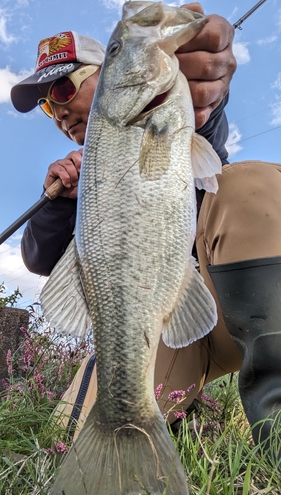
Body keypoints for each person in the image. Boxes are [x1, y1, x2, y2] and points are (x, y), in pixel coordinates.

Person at [11, 3, 281, 467]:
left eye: (62, 88)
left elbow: (205, 137)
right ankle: (173, 412)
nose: (57, 111)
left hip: (236, 301)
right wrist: (58, 203)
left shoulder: (174, 115)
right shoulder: (80, 181)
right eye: (46, 106)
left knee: (249, 184)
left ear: (106, 76)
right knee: (76, 444)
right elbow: (38, 259)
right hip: (163, 329)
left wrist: (205, 97)